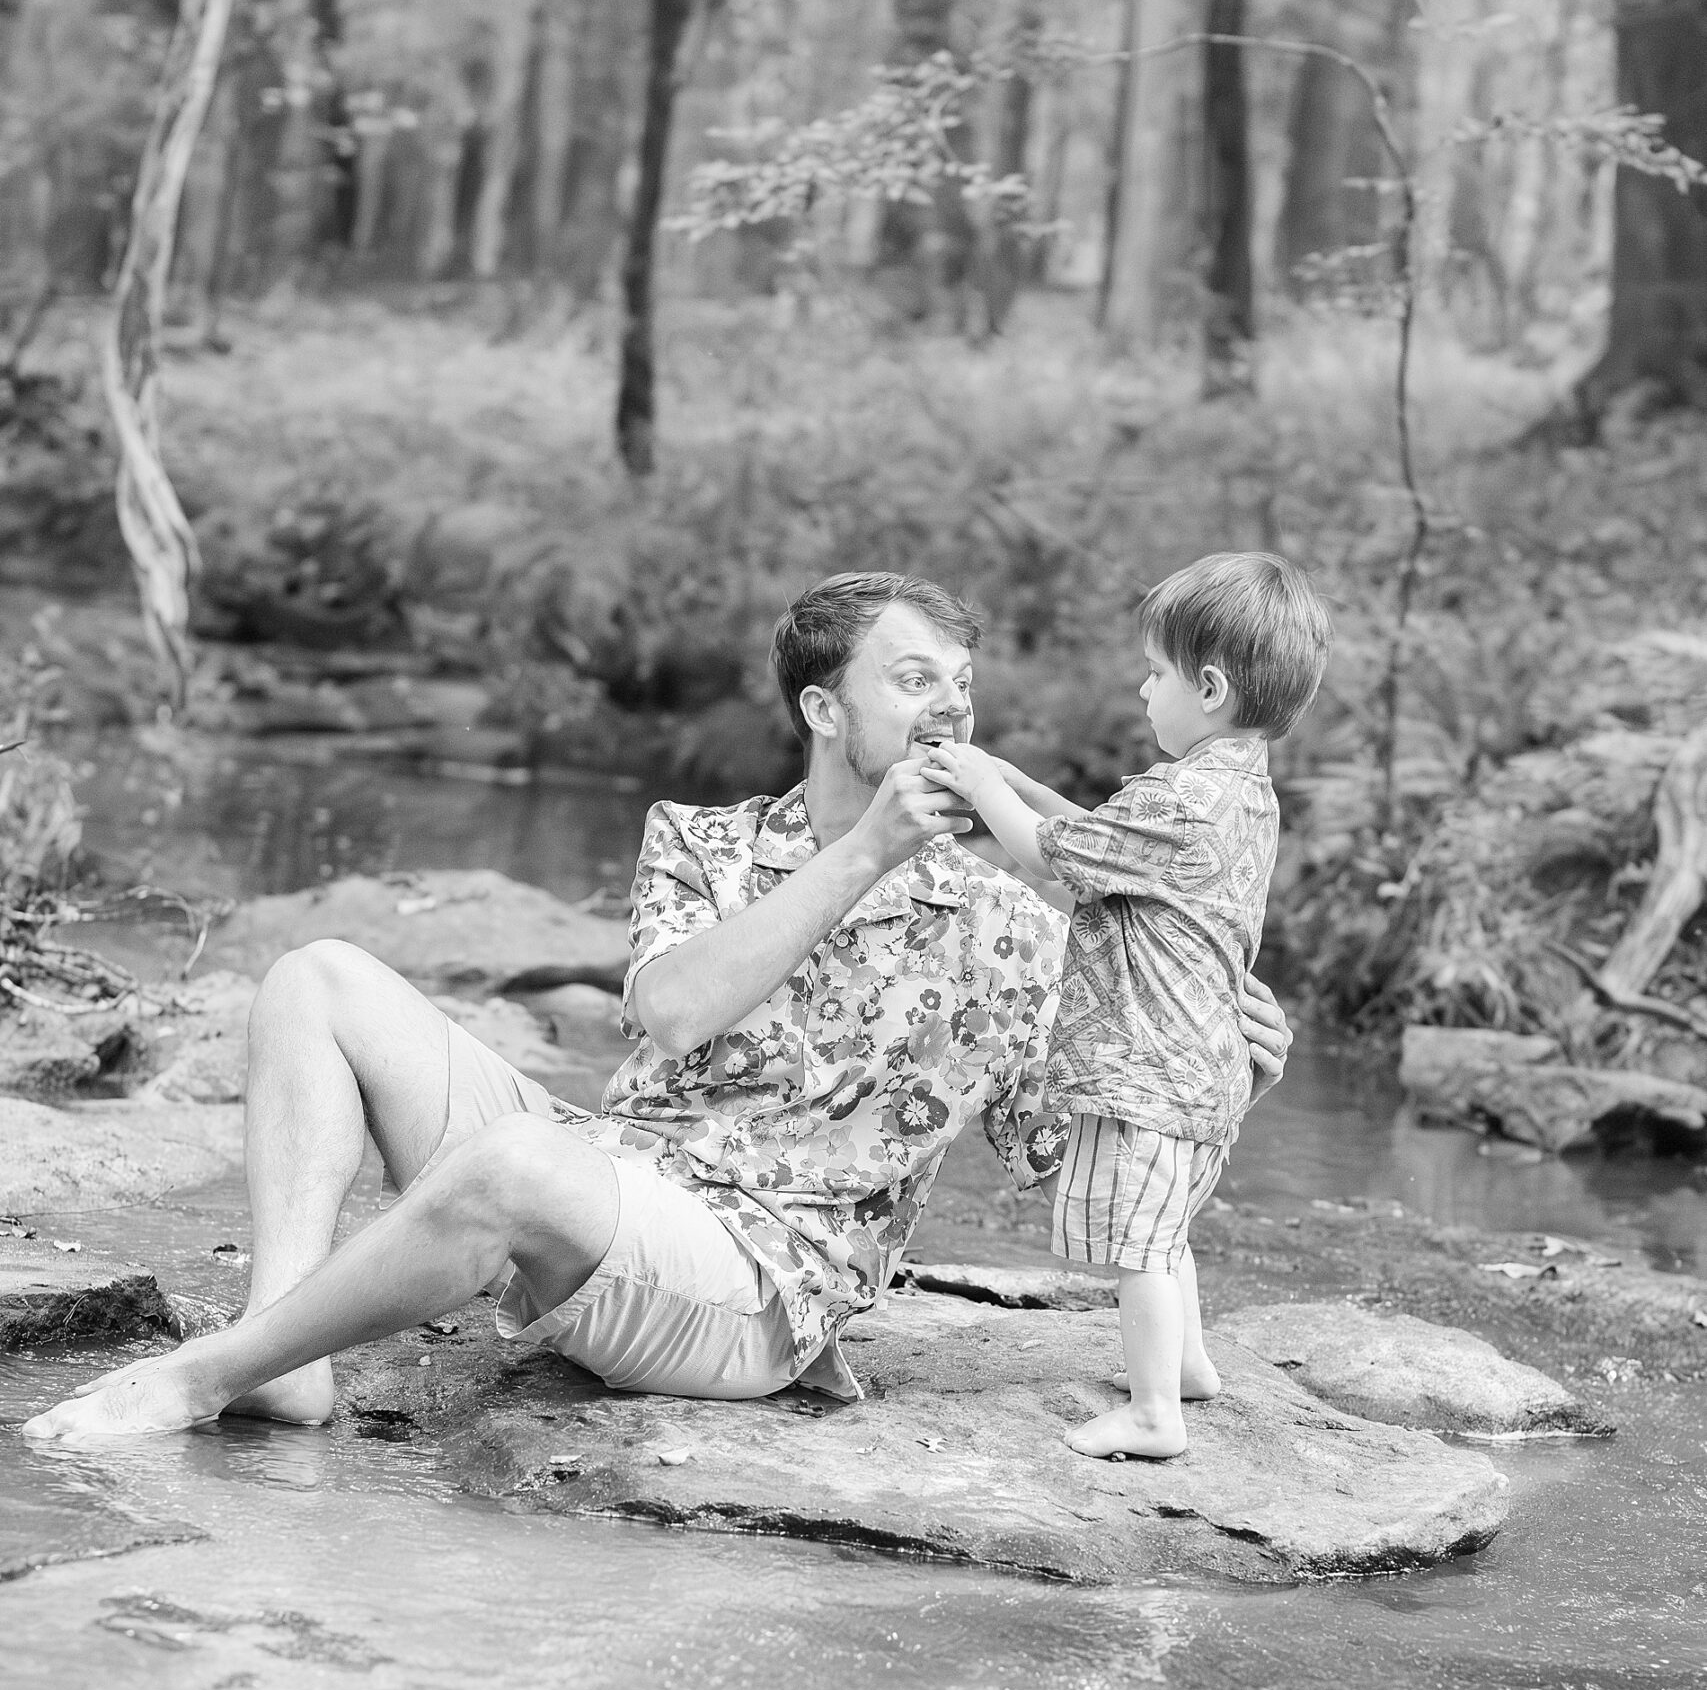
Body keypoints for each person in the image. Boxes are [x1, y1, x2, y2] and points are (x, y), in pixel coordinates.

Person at [23, 571, 1292, 1452]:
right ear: (822, 709)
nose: (950, 713)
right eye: (914, 682)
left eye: (959, 684)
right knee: (318, 975)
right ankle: (283, 1355)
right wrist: (860, 858)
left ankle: (200, 1380)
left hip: (758, 1288)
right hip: (623, 1176)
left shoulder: (1015, 913)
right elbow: (671, 1013)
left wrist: (1203, 1053)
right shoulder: (704, 842)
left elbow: (1064, 1155)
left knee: (514, 1164)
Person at [923, 551, 1331, 1464]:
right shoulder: (1238, 791)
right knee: (1169, 1226)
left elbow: (1049, 859)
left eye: (1155, 674)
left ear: (1211, 687)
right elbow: (1098, 847)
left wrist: (984, 789)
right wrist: (1015, 784)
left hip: (1146, 1063)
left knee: (1139, 1249)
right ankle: (1186, 1365)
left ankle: (1154, 1415)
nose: (1142, 690)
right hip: (1211, 1063)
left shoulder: (1177, 796)